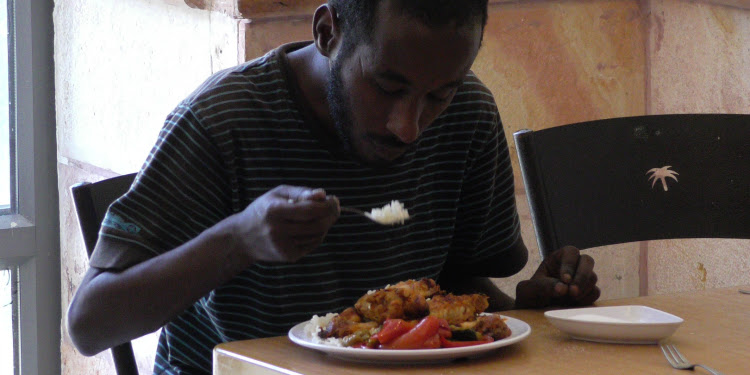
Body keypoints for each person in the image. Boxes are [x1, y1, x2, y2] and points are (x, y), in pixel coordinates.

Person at [67, 1, 600, 373]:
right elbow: (90, 324)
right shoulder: (222, 124)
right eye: (388, 86)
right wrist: (238, 240)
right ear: (327, 33)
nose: (408, 126)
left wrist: (522, 311)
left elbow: (458, 279)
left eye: (438, 95)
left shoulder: (468, 115)